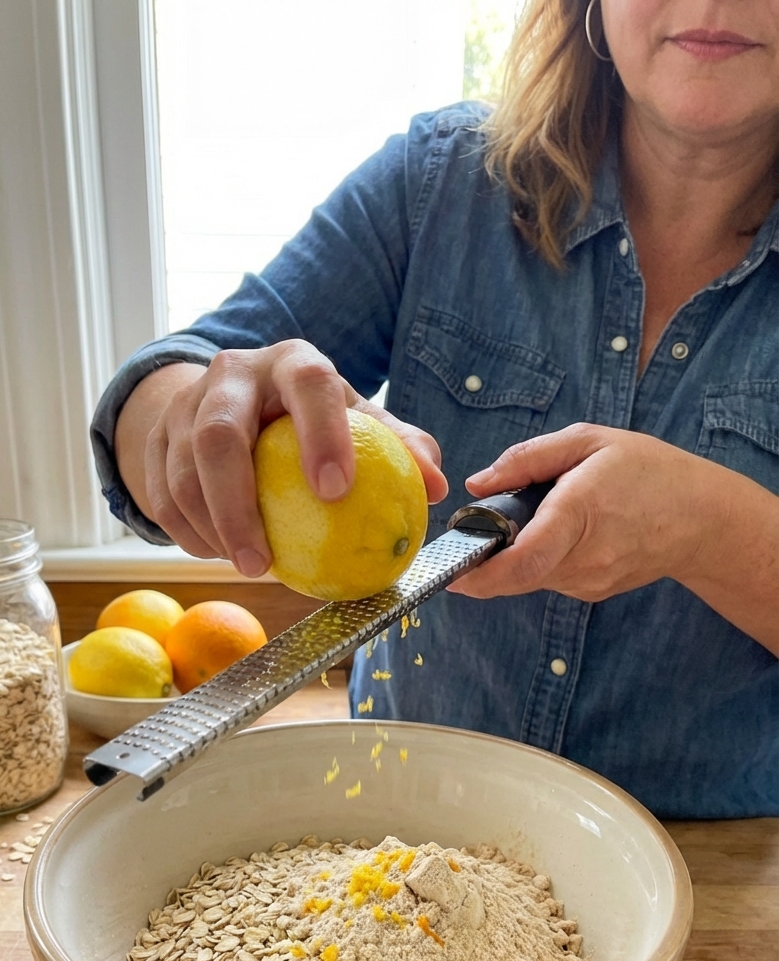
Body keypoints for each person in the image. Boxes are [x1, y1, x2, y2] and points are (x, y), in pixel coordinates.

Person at [91, 0, 778, 819]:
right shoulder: (440, 182)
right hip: (399, 837)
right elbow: (165, 383)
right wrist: (189, 418)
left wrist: (705, 526)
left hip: (716, 863)